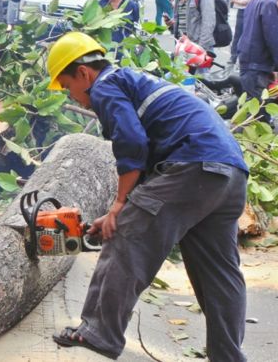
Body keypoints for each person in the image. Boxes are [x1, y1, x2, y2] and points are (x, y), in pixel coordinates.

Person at [46, 31, 249, 361]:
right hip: (229, 174)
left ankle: (99, 332)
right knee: (220, 273)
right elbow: (151, 169)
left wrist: (118, 208)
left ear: (83, 73)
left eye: (68, 87)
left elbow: (132, 144)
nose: (73, 98)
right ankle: (228, 356)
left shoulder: (105, 87)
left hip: (192, 166)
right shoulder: (132, 81)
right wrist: (123, 206)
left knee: (126, 235)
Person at [229, 0, 256, 65]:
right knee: (238, 35)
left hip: (253, 12)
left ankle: (250, 57)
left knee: (252, 35)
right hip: (241, 11)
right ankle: (233, 56)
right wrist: (240, 2)